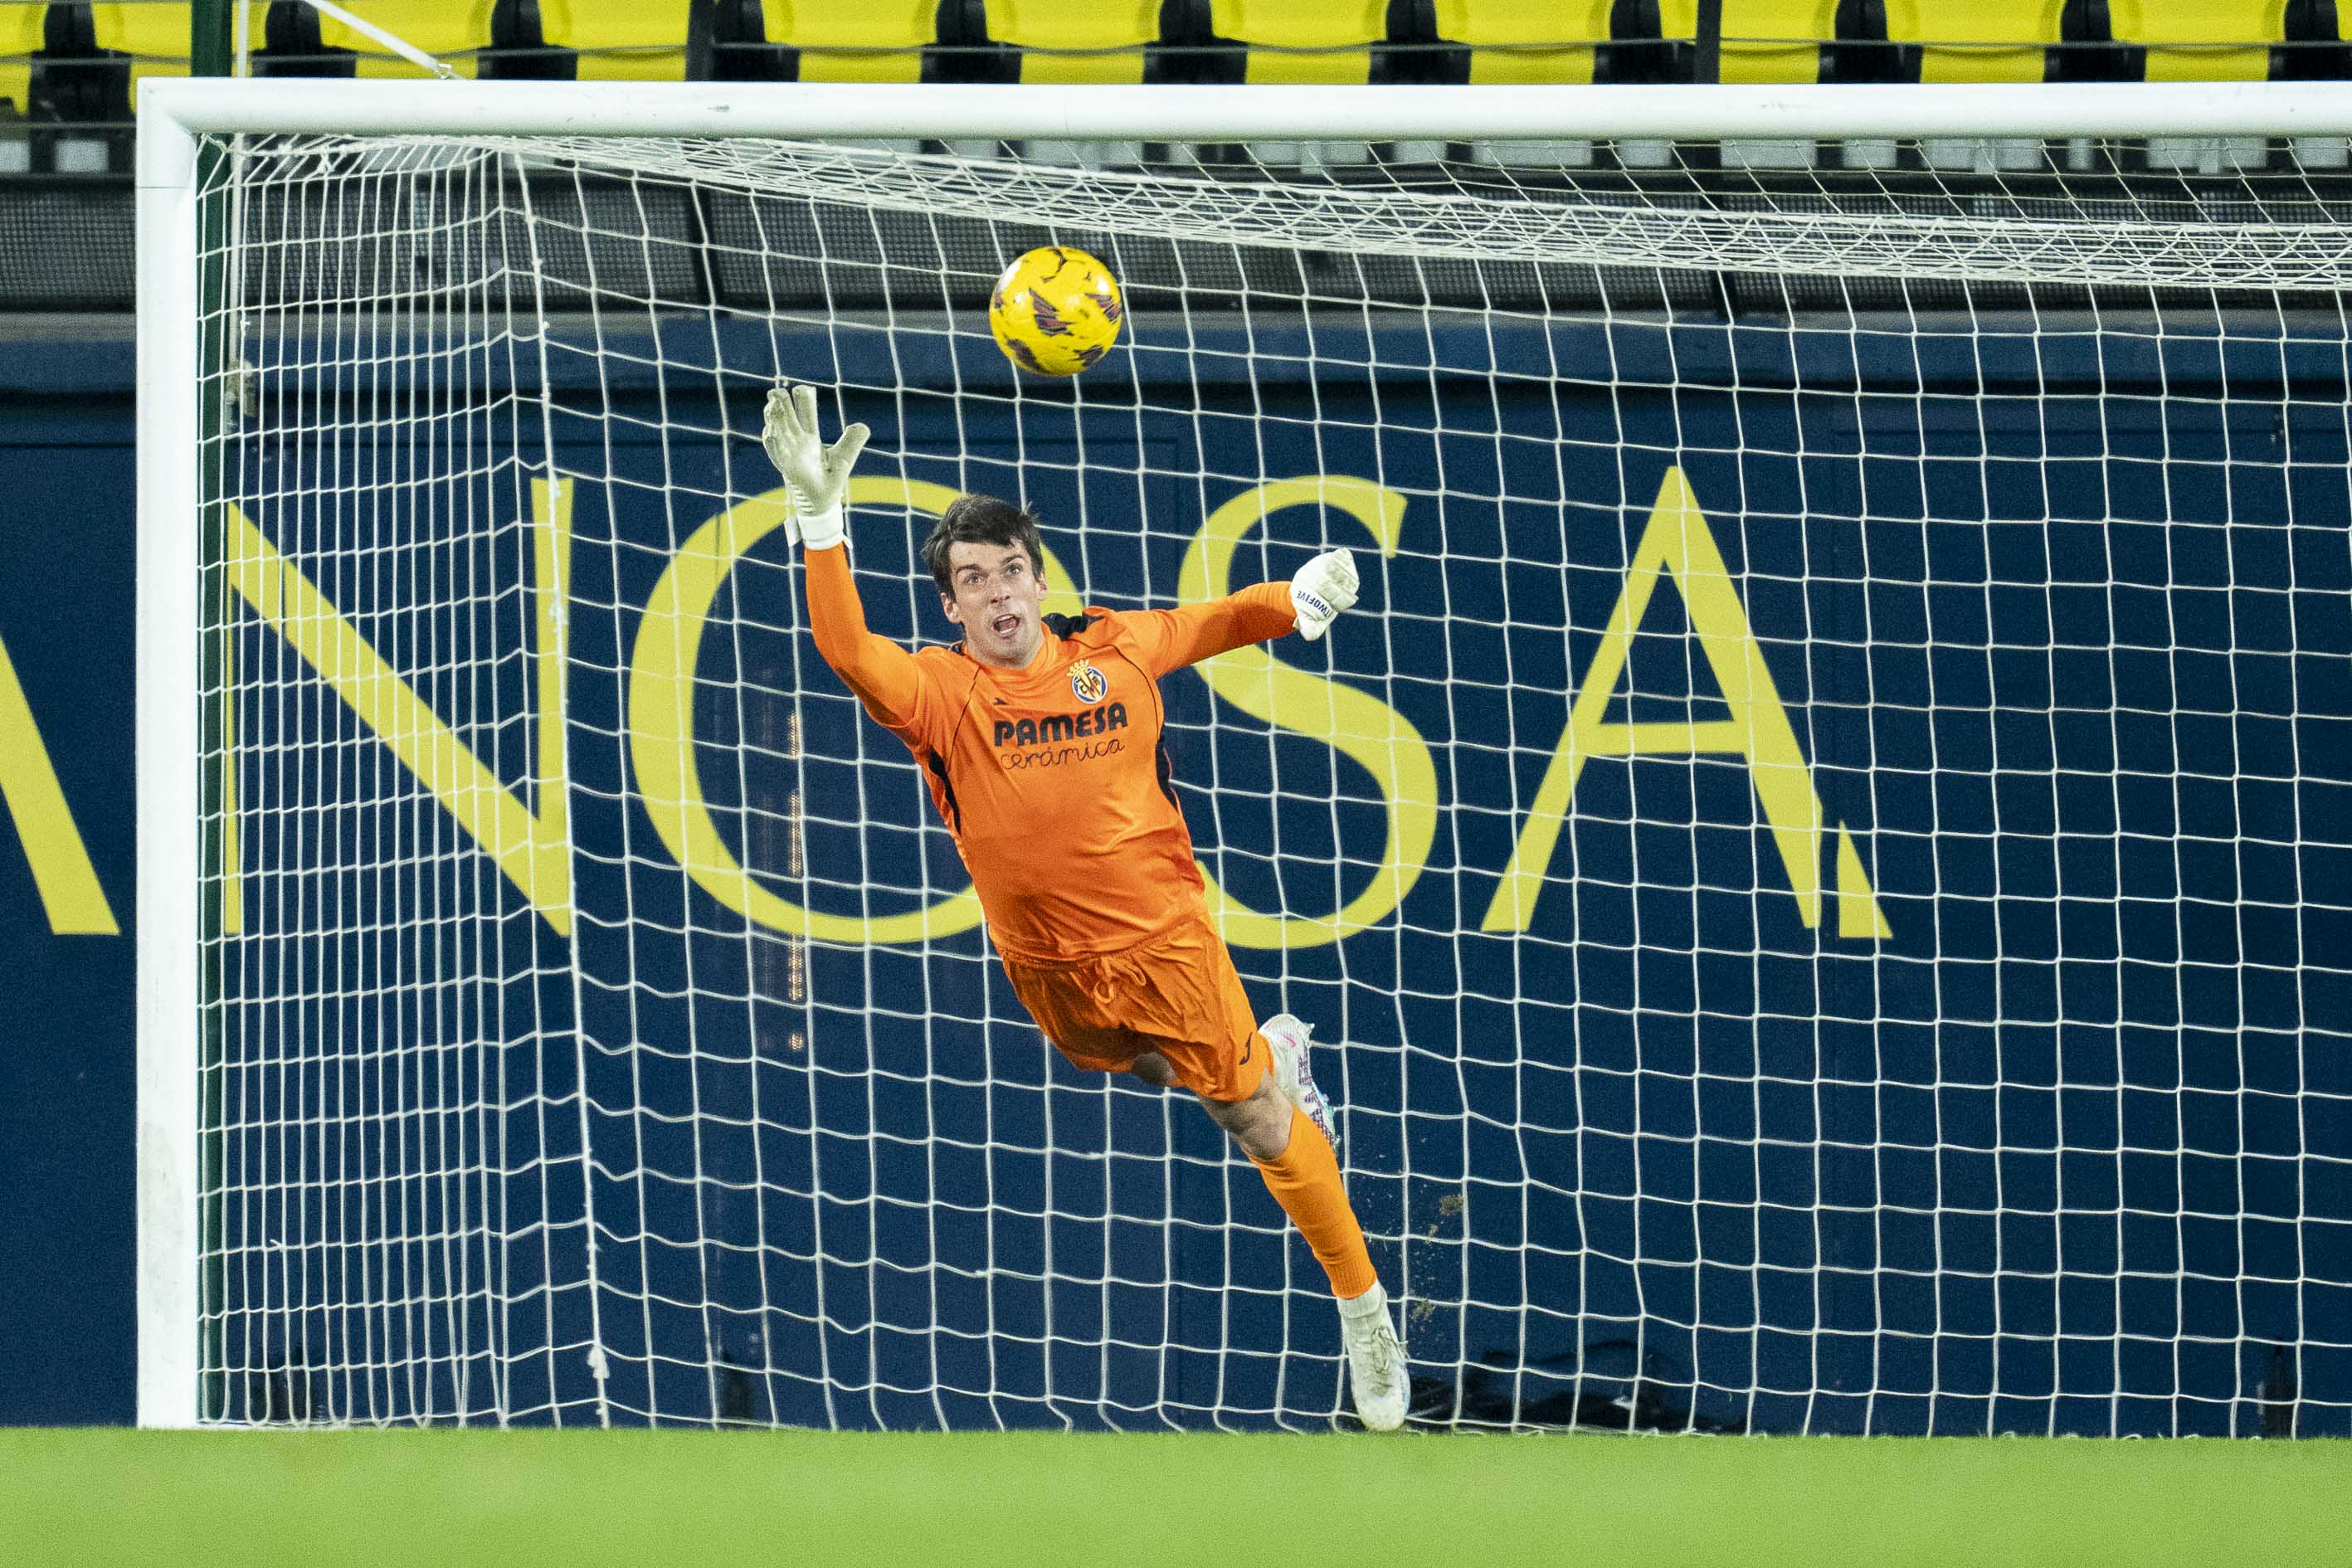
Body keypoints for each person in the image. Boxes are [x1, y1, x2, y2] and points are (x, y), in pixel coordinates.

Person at [760, 382, 1409, 1430]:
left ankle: (1363, 1308)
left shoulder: (1110, 650)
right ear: (951, 608)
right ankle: (1268, 1055)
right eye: (973, 580)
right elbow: (849, 652)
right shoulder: (941, 694)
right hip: (1047, 964)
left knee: (1251, 1117)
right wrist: (819, 522)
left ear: (1037, 578)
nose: (999, 594)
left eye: (1010, 570)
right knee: (1146, 1066)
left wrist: (1293, 600)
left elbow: (1209, 623)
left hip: (1166, 940)